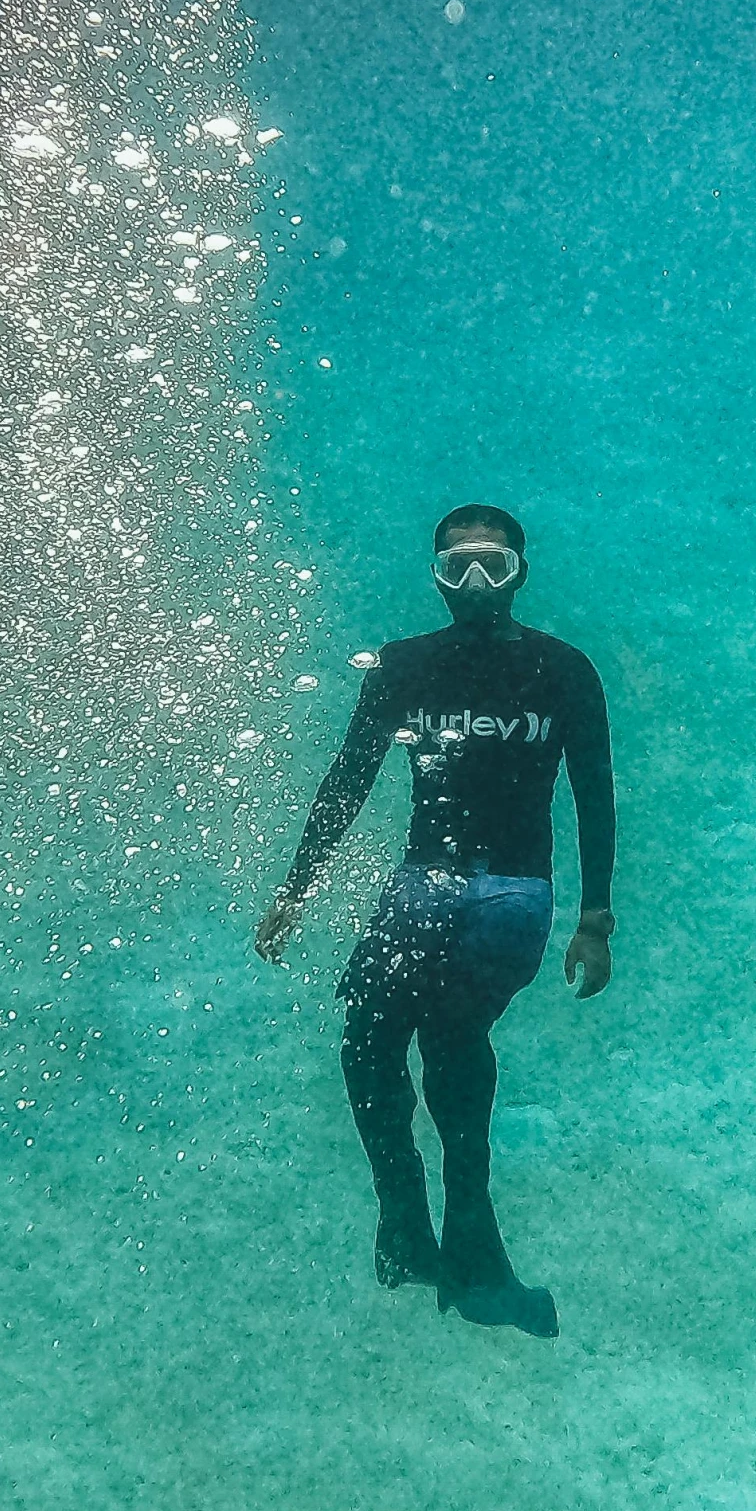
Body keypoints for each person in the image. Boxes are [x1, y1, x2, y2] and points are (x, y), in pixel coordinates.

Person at [255, 505, 616, 1339]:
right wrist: (297, 887)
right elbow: (348, 779)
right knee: (366, 1040)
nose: (475, 584)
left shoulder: (564, 670)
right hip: (421, 884)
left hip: (514, 893)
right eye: (457, 568)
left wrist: (595, 919)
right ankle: (411, 1225)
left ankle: (468, 1232)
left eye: (492, 565)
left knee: (451, 1043)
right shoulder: (403, 666)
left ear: (521, 571)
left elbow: (593, 794)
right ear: (435, 576)